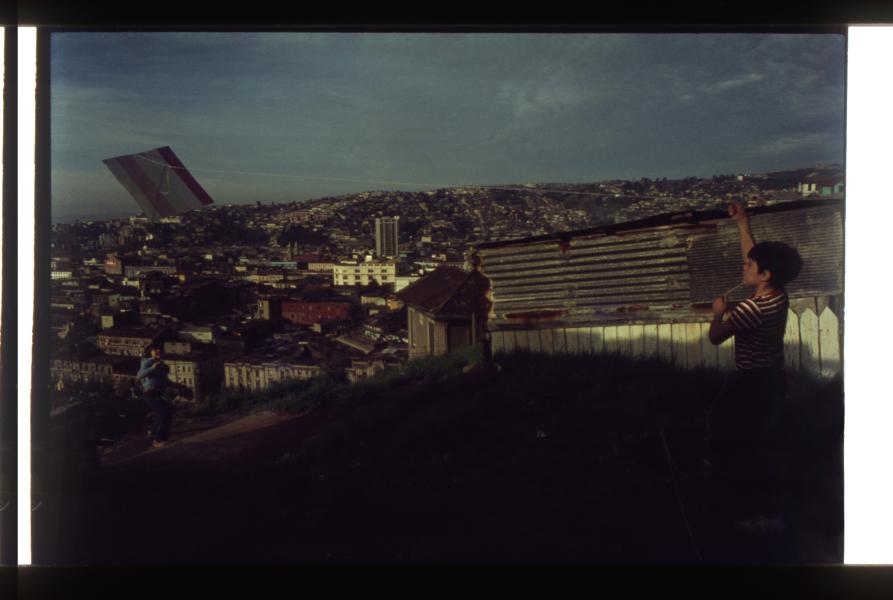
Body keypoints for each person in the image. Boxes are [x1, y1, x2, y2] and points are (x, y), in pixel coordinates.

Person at [706, 201, 803, 535]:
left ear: (764, 275)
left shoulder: (751, 308)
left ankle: (758, 516)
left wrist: (718, 312)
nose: (743, 266)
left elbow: (716, 338)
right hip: (772, 380)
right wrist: (742, 224)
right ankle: (765, 508)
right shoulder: (779, 293)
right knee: (757, 441)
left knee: (745, 448)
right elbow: (757, 255)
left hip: (753, 385)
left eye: (749, 266)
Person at [136, 343, 173, 448]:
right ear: (151, 352)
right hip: (150, 393)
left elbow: (165, 381)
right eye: (155, 350)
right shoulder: (148, 362)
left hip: (157, 393)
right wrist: (152, 368)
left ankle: (153, 431)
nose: (158, 351)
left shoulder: (162, 365)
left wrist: (179, 386)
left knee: (167, 410)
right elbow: (139, 376)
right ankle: (157, 440)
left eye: (159, 349)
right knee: (164, 413)